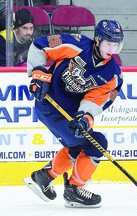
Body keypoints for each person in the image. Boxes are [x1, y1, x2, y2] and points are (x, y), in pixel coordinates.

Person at [23, 19, 124, 208]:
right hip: (48, 104)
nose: (112, 48)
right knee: (97, 143)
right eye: (109, 43)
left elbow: (96, 99)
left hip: (69, 114)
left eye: (116, 44)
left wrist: (85, 117)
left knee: (81, 145)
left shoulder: (112, 73)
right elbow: (40, 46)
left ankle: (44, 177)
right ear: (98, 39)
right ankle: (73, 190)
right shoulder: (76, 44)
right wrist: (38, 74)